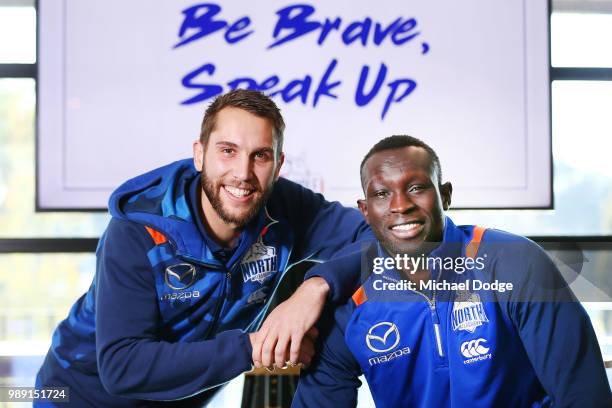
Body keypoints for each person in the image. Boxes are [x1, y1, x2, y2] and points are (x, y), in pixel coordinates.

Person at [35, 89, 372, 407]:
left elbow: (381, 236)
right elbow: (123, 366)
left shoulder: (284, 206)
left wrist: (317, 286)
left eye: (260, 156)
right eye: (228, 151)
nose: (243, 173)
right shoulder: (138, 232)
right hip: (79, 396)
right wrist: (257, 348)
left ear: (279, 165)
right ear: (199, 154)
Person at [292, 135, 612, 407]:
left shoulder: (515, 263)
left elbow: (584, 396)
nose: (401, 205)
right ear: (365, 211)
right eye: (382, 193)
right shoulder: (353, 303)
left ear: (445, 195)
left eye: (416, 187)